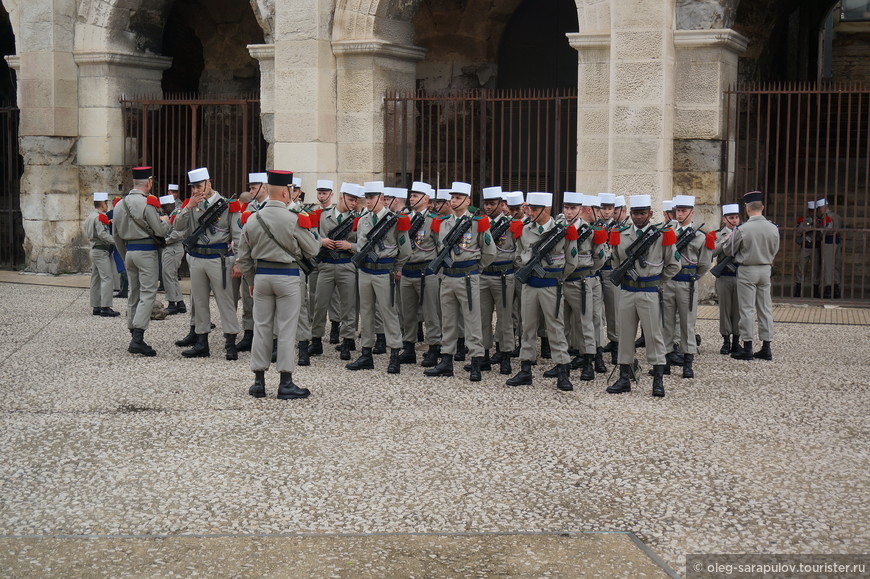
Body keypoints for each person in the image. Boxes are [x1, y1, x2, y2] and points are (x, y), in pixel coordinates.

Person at [235, 170, 320, 400]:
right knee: (286, 329)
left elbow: (242, 257)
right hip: (288, 277)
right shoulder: (294, 219)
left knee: (261, 327)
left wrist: (251, 280)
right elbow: (313, 250)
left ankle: (259, 382)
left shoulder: (252, 218)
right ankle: (285, 382)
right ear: (285, 192)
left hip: (262, 277)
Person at [605, 195, 680, 397]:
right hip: (628, 290)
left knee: (654, 336)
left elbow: (674, 264)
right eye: (635, 213)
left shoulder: (661, 235)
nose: (639, 217)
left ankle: (658, 380)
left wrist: (657, 282)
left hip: (649, 291)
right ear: (630, 214)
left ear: (650, 214)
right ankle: (624, 377)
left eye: (643, 213)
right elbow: (615, 263)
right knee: (625, 335)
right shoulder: (620, 233)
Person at [505, 192, 578, 391]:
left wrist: (556, 276)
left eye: (534, 209)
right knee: (527, 327)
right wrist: (525, 265)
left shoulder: (562, 231)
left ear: (545, 210)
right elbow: (518, 255)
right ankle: (525, 370)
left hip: (551, 286)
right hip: (530, 284)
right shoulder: (525, 229)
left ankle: (563, 370)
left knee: (555, 328)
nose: (529, 212)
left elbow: (571, 261)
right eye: (529, 208)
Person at [425, 181, 496, 381]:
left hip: (467, 276)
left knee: (472, 321)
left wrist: (475, 269)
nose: (454, 201)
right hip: (447, 276)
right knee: (448, 321)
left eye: (458, 198)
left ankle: (475, 362)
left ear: (468, 201)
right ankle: (446, 361)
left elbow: (489, 252)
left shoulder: (477, 222)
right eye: (452, 197)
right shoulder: (444, 222)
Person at [172, 167, 243, 360]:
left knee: (226, 302)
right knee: (200, 301)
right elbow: (177, 226)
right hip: (197, 258)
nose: (195, 190)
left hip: (219, 259)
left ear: (209, 183)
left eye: (198, 186)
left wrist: (238, 261)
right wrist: (188, 207)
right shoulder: (191, 205)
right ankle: (202, 342)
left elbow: (238, 235)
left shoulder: (229, 205)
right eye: (193, 187)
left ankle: (230, 343)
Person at [346, 181, 412, 373]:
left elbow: (405, 250)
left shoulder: (395, 220)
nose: (367, 202)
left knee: (389, 313)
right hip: (365, 271)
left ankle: (394, 354)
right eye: (366, 198)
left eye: (371, 198)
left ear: (382, 199)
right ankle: (366, 353)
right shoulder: (364, 220)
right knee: (365, 313)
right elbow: (360, 245)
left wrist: (395, 268)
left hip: (384, 271)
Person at [112, 166, 172, 356]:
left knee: (134, 293)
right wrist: (166, 221)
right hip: (146, 253)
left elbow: (116, 236)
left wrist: (125, 256)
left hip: (129, 252)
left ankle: (133, 332)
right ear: (148, 183)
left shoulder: (120, 204)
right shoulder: (149, 203)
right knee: (148, 293)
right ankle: (138, 338)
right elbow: (160, 231)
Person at [659, 195, 714, 379]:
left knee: (687, 323)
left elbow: (705, 264)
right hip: (668, 281)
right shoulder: (667, 232)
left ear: (692, 212)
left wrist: (692, 277)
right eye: (678, 211)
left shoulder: (700, 236)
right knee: (667, 322)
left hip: (687, 282)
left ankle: (687, 362)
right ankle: (665, 362)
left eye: (683, 211)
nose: (680, 214)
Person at [726, 191, 780, 361]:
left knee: (747, 309)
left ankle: (747, 347)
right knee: (765, 308)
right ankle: (766, 347)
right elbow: (775, 248)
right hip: (765, 269)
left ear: (747, 209)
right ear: (762, 207)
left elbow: (729, 250)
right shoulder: (773, 228)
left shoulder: (743, 229)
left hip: (747, 269)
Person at [559, 193, 608, 381]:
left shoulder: (590, 231)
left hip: (580, 281)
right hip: (561, 281)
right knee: (561, 324)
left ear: (580, 209)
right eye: (566, 208)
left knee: (586, 322)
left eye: (573, 208)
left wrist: (585, 272)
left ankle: (589, 363)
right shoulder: (559, 228)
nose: (569, 212)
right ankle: (562, 363)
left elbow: (600, 258)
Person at [311, 182, 362, 361]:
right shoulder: (322, 215)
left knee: (348, 306)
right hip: (325, 264)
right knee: (319, 304)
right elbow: (310, 234)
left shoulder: (357, 219)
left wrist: (351, 245)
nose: (354, 203)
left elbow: (363, 244)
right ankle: (316, 340)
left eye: (356, 200)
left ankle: (347, 341)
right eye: (350, 199)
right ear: (341, 198)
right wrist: (321, 241)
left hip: (346, 264)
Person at [397, 181, 443, 367]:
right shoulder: (404, 218)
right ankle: (408, 347)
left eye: (415, 196)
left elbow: (441, 247)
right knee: (407, 313)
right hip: (407, 270)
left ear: (425, 199)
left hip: (426, 271)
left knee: (431, 312)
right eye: (411, 195)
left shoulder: (433, 220)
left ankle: (434, 348)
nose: (411, 199)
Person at [477, 186, 519, 375]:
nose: (488, 207)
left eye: (492, 204)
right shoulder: (479, 223)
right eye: (486, 203)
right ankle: (484, 355)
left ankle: (505, 355)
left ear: (502, 205)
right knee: (483, 318)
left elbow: (519, 249)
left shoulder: (512, 225)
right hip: (484, 274)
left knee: (505, 318)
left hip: (503, 275)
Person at [234, 172, 269, 351]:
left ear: (264, 188)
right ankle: (249, 333)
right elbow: (241, 235)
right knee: (248, 299)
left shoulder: (272, 206)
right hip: (250, 258)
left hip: (265, 259)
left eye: (254, 188)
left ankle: (266, 337)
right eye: (250, 188)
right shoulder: (248, 208)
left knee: (266, 302)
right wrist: (240, 261)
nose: (250, 191)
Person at [84, 192, 121, 318]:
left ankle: (96, 306)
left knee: (96, 279)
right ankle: (105, 307)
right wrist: (116, 241)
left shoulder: (90, 216)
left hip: (94, 249)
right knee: (107, 278)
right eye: (106, 203)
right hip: (101, 250)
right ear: (103, 204)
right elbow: (102, 234)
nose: (107, 206)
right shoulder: (100, 217)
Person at [713, 203, 741, 355]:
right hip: (724, 276)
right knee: (725, 309)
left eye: (737, 217)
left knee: (738, 310)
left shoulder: (744, 232)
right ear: (724, 219)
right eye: (731, 218)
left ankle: (737, 340)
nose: (735, 220)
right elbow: (712, 252)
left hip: (739, 275)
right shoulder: (718, 234)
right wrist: (726, 239)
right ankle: (726, 340)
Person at [160, 193, 187, 315]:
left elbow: (179, 233)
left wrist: (164, 240)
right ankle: (180, 302)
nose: (163, 210)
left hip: (173, 247)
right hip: (172, 247)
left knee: (168, 276)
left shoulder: (177, 215)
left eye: (165, 207)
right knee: (172, 276)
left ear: (171, 205)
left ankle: (172, 303)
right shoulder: (172, 215)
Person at [815, 197, 842, 299]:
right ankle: (836, 289)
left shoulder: (826, 217)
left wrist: (819, 229)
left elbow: (827, 230)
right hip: (837, 241)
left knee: (828, 267)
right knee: (836, 266)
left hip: (828, 242)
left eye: (819, 208)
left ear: (823, 207)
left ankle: (828, 290)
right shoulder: (837, 216)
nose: (819, 211)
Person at [793, 200, 818, 298]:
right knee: (801, 269)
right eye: (811, 211)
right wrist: (812, 227)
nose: (813, 213)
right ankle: (798, 290)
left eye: (814, 211)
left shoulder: (820, 220)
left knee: (815, 270)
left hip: (815, 247)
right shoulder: (805, 220)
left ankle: (815, 291)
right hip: (806, 247)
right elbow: (799, 230)